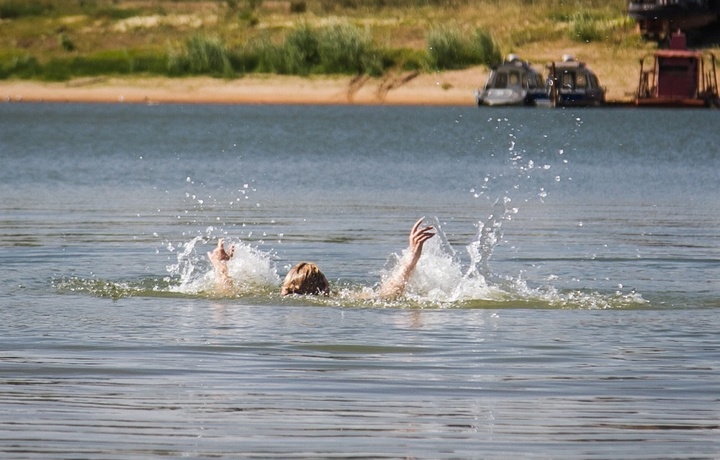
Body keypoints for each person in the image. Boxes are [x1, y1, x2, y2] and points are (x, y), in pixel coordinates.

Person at [208, 218, 435, 299]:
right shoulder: (335, 300)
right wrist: (411, 258)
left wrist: (221, 267)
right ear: (325, 287)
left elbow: (227, 296)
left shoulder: (279, 297)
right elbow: (388, 294)